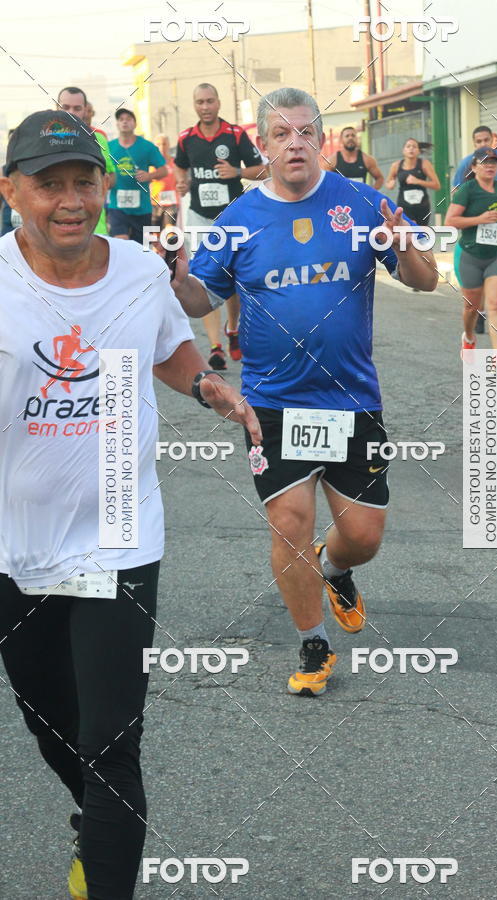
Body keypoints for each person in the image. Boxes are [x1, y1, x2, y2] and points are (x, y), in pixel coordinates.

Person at [0, 109, 260, 900]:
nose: (71, 201)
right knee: (48, 718)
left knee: (111, 742)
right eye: (50, 185)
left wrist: (203, 383)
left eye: (84, 182)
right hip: (15, 538)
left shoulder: (141, 272)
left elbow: (169, 346)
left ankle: (108, 861)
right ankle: (96, 817)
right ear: (12, 192)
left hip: (119, 526)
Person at [170, 87, 437, 697]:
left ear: (321, 139)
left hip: (352, 400)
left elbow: (425, 282)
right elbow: (199, 301)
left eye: (305, 132)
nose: (295, 144)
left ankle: (334, 567)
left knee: (364, 536)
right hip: (273, 402)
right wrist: (179, 277)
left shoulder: (363, 203)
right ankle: (313, 643)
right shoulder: (237, 220)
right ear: (261, 146)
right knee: (289, 523)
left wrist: (406, 248)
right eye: (281, 134)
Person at [174, 83, 267, 369]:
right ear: (194, 105)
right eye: (200, 102)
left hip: (231, 218)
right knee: (201, 281)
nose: (205, 107)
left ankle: (233, 328)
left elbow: (264, 170)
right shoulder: (186, 138)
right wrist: (182, 181)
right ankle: (215, 347)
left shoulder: (235, 134)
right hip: (199, 217)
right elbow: (180, 166)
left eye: (209, 101)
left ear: (218, 102)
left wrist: (237, 171)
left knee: (233, 279)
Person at [445, 147, 497, 373]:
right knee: (472, 307)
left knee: (496, 304)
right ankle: (468, 337)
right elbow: (450, 221)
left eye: (494, 163)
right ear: (474, 167)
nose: (490, 166)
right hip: (470, 254)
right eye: (485, 162)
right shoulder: (466, 191)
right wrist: (479, 219)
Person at [58, 86, 116, 236]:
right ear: (57, 108)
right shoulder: (43, 140)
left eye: (77, 108)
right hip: (55, 228)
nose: (71, 112)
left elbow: (112, 177)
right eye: (66, 107)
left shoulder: (99, 139)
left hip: (94, 229)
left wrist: (92, 184)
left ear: (85, 111)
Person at [107, 108, 167, 244]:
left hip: (142, 208)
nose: (124, 122)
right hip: (117, 207)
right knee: (120, 242)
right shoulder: (109, 147)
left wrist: (149, 175)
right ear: (117, 124)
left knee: (140, 248)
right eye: (121, 119)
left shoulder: (147, 147)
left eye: (128, 119)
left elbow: (164, 170)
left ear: (135, 124)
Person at [385, 137, 440, 226]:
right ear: (403, 150)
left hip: (422, 206)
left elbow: (437, 185)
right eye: (408, 146)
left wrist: (418, 181)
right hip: (404, 205)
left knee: (420, 231)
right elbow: (388, 183)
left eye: (414, 147)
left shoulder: (424, 164)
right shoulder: (396, 165)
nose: (411, 149)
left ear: (418, 151)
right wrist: (390, 185)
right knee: (408, 229)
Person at [453, 126, 497, 190]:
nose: (483, 144)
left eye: (486, 140)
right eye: (479, 141)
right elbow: (456, 189)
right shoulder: (466, 162)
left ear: (492, 140)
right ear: (474, 143)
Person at [150, 133, 179, 230]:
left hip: (171, 203)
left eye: (164, 144)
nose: (162, 147)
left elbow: (181, 180)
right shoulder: (150, 163)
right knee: (155, 235)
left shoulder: (175, 163)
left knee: (169, 231)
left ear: (169, 145)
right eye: (158, 144)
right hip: (154, 203)